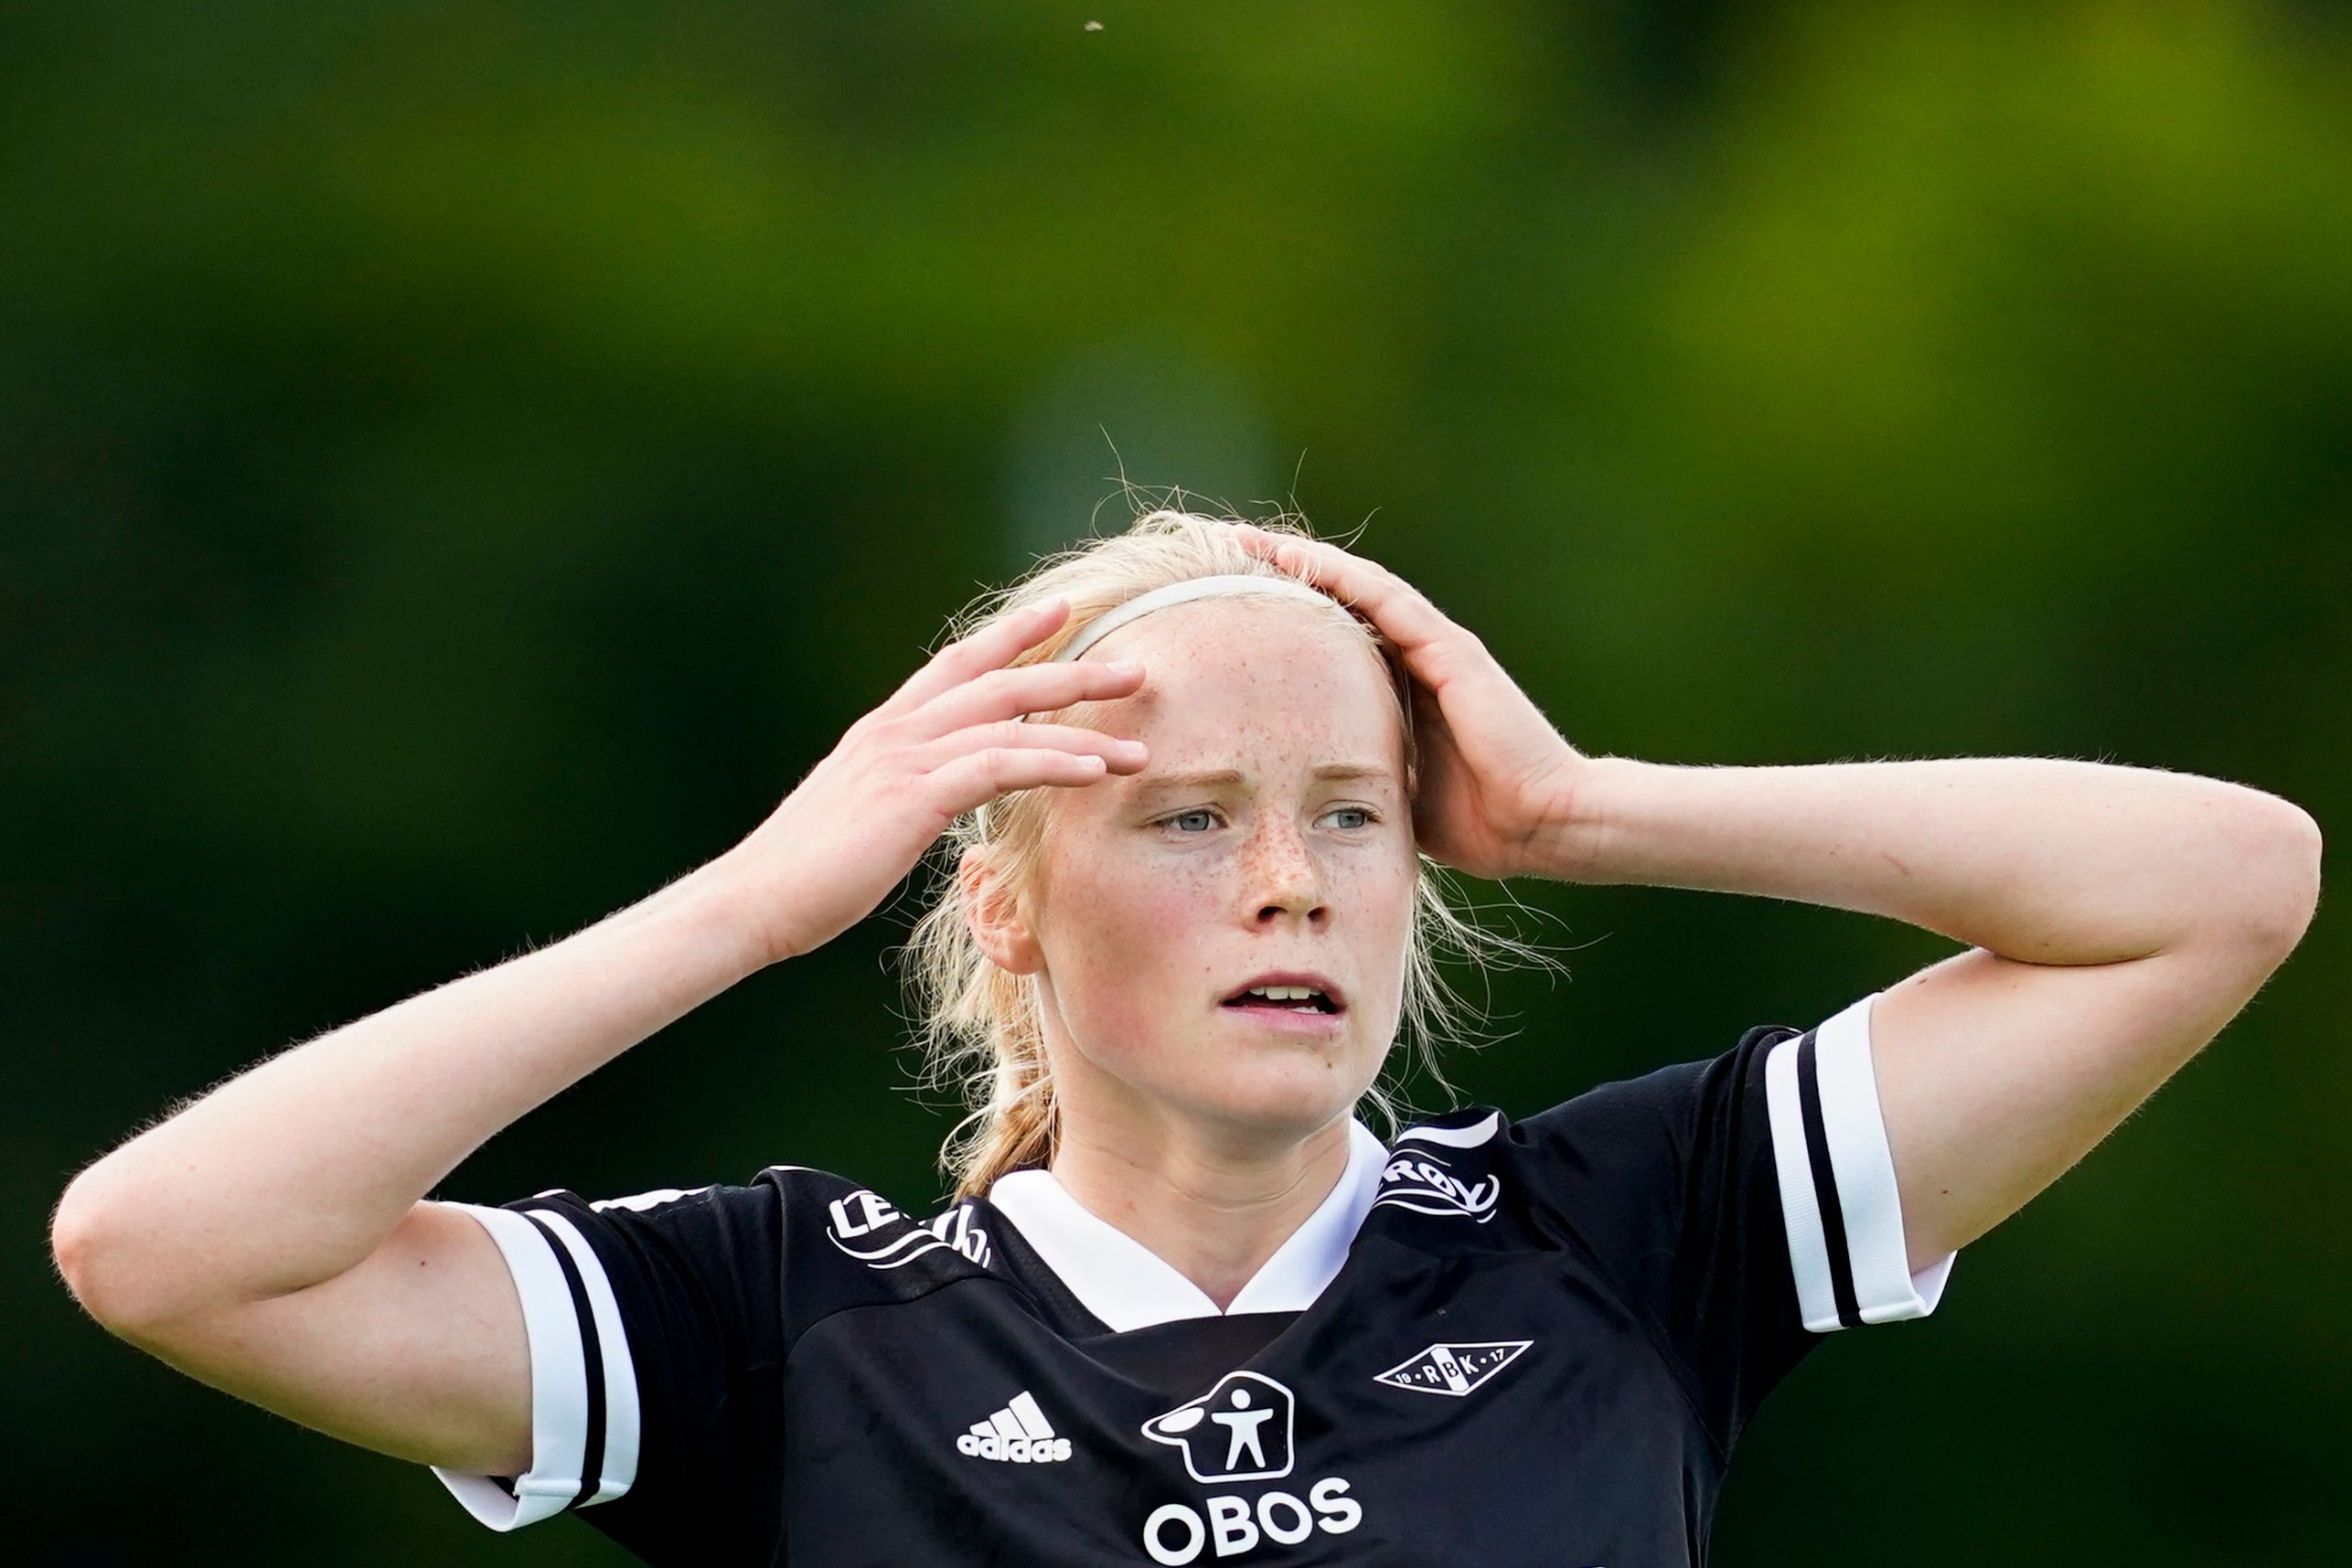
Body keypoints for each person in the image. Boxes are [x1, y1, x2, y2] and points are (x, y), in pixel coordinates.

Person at [48, 507, 2322, 1567]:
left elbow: (2219, 887)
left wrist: (1585, 810)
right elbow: (166, 1248)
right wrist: (751, 907)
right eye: (1189, 817)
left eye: (1348, 811)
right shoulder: (783, 1331)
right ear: (1003, 910)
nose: (1286, 880)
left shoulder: (1625, 1235)